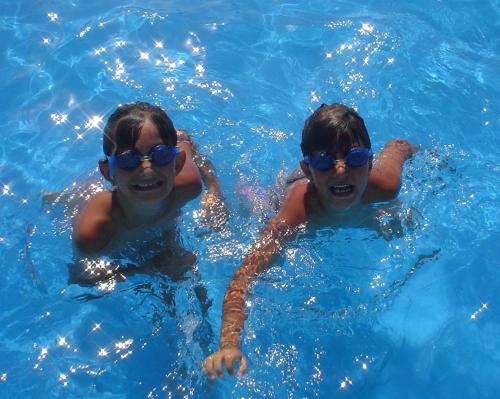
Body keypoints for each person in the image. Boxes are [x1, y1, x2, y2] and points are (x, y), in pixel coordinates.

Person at [203, 103, 416, 379]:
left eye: (355, 158)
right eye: (325, 162)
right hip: (290, 191)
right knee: (254, 207)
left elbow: (399, 146)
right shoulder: (296, 213)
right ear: (308, 168)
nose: (341, 171)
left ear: (370, 161)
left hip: (359, 203)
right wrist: (229, 344)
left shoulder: (385, 185)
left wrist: (432, 156)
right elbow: (244, 277)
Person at [71, 101, 225, 281]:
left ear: (177, 163)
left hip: (158, 220)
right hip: (85, 200)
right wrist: (152, 267)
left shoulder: (188, 186)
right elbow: (80, 278)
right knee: (69, 200)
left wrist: (214, 190)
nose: (147, 169)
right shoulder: (95, 230)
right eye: (127, 159)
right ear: (107, 172)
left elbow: (186, 146)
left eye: (160, 155)